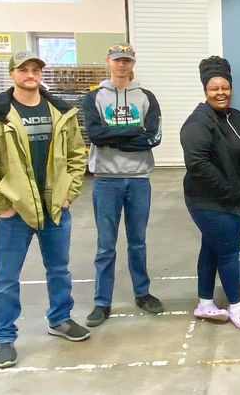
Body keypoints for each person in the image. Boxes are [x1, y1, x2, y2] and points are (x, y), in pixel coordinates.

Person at [0, 50, 89, 369]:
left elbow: (78, 154)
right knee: (7, 276)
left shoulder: (60, 111)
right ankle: (4, 337)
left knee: (59, 269)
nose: (30, 74)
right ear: (12, 74)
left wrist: (68, 193)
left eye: (36, 68)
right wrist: (1, 204)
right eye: (24, 69)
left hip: (54, 208)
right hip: (15, 211)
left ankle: (60, 320)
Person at [83, 42, 163, 327]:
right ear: (108, 61)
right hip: (106, 180)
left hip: (139, 179)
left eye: (127, 61)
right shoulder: (93, 98)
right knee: (106, 245)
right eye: (117, 60)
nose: (122, 65)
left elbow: (153, 137)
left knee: (137, 242)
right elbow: (95, 135)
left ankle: (142, 293)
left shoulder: (147, 97)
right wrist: (133, 133)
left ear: (133, 64)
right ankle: (101, 302)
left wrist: (113, 135)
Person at [180, 56, 240, 330]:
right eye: (214, 88)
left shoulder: (235, 118)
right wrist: (232, 191)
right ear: (205, 90)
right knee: (227, 251)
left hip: (230, 198)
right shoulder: (197, 123)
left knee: (210, 248)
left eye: (225, 87)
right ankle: (236, 307)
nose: (220, 92)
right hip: (208, 200)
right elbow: (198, 164)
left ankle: (205, 303)